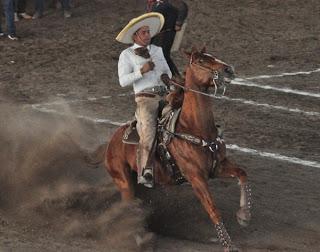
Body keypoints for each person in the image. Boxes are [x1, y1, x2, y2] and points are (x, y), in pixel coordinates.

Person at [116, 12, 172, 188]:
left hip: (165, 94)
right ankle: (145, 171)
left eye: (148, 31)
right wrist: (142, 71)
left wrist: (166, 77)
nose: (148, 35)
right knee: (148, 128)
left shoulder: (158, 50)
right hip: (145, 98)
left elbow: (167, 72)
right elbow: (123, 81)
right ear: (135, 36)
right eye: (144, 32)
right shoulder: (126, 55)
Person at [148, 0, 188, 78]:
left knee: (163, 54)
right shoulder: (155, 4)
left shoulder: (176, 3)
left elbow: (178, 26)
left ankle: (176, 76)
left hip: (166, 33)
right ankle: (161, 77)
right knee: (153, 54)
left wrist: (178, 22)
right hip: (155, 33)